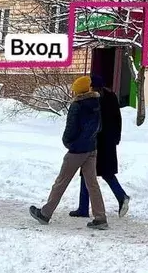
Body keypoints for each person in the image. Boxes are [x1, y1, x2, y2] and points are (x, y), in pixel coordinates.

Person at [29, 76, 108, 230]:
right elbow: (99, 127)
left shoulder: (77, 106)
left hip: (77, 151)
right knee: (92, 184)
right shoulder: (96, 104)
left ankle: (45, 213)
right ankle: (100, 217)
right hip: (91, 148)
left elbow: (70, 129)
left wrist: (69, 142)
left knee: (61, 182)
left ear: (78, 90)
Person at [70, 75, 130, 218]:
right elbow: (118, 119)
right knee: (105, 172)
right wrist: (116, 138)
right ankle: (120, 196)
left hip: (96, 141)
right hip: (108, 141)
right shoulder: (111, 97)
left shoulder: (94, 100)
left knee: (87, 172)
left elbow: (90, 122)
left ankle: (84, 208)